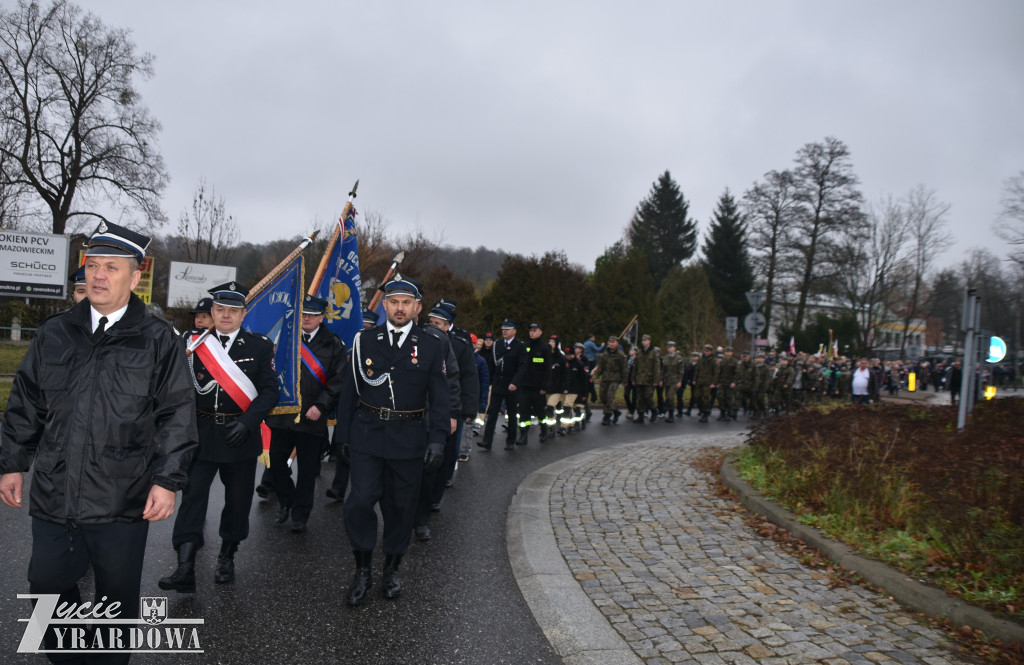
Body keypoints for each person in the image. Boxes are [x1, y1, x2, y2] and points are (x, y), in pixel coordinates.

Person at [0, 222, 198, 663]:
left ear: (135, 275)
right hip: (56, 490)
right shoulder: (55, 332)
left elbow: (177, 414)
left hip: (121, 498)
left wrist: (167, 480)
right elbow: (26, 401)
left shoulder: (157, 339)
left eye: (112, 267)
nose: (99, 275)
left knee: (115, 602)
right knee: (46, 587)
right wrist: (12, 462)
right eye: (92, 265)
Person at [159, 282, 278, 593]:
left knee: (238, 501)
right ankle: (185, 564)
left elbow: (270, 392)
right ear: (211, 312)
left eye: (233, 311)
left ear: (243, 314)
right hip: (199, 435)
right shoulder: (193, 344)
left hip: (239, 435)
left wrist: (249, 423)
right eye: (221, 309)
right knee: (192, 499)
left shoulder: (260, 346)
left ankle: (227, 555)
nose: (226, 315)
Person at [335, 275, 448, 605]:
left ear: (417, 307)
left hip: (409, 438)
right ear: (385, 306)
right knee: (359, 502)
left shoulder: (431, 345)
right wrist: (342, 436)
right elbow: (349, 392)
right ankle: (363, 570)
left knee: (401, 510)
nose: (400, 308)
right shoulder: (365, 341)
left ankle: (392, 569)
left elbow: (440, 398)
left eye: (406, 303)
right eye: (394, 302)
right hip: (368, 434)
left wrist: (438, 440)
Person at [264, 295, 347, 532]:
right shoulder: (285, 338)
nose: (307, 318)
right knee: (276, 465)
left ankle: (300, 515)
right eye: (303, 313)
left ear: (322, 317)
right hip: (282, 415)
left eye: (312, 314)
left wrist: (321, 406)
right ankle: (286, 500)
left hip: (312, 417)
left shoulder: (333, 344)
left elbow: (338, 381)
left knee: (308, 472)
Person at [480, 321, 526, 451]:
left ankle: (510, 441)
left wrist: (515, 382)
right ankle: (487, 441)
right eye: (503, 329)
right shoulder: (497, 345)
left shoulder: (520, 346)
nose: (504, 331)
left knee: (511, 414)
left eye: (508, 329)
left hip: (512, 385)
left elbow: (522, 367)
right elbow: (492, 365)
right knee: (492, 413)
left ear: (514, 331)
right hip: (498, 384)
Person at [593, 335, 627, 425]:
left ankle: (607, 415)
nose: (611, 344)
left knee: (610, 397)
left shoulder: (621, 355)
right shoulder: (605, 354)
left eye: (613, 342)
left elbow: (624, 369)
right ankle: (616, 411)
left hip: (615, 379)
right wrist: (596, 376)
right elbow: (600, 366)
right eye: (610, 342)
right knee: (602, 396)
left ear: (617, 343)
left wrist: (625, 380)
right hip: (605, 378)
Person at [632, 333, 662, 424]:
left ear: (649, 341)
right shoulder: (640, 352)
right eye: (642, 340)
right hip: (639, 378)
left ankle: (654, 411)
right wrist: (633, 378)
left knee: (648, 396)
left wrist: (656, 380)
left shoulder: (653, 352)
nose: (643, 342)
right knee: (639, 398)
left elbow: (657, 367)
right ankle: (640, 415)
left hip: (649, 379)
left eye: (645, 340)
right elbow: (635, 366)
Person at [693, 344, 718, 423]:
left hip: (708, 382)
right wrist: (694, 379)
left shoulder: (713, 360)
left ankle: (706, 413)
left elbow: (716, 373)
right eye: (705, 351)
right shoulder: (701, 360)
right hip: (700, 381)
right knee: (697, 397)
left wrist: (714, 383)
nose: (706, 352)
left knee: (706, 398)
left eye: (708, 351)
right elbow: (697, 370)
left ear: (711, 351)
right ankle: (702, 409)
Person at [660, 341, 684, 423]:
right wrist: (661, 380)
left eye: (670, 347)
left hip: (675, 380)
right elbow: (663, 370)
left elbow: (681, 371)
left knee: (670, 397)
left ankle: (671, 414)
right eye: (668, 347)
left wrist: (680, 381)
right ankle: (669, 413)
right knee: (667, 396)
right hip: (667, 380)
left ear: (674, 348)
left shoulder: (679, 358)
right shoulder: (665, 358)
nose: (669, 348)